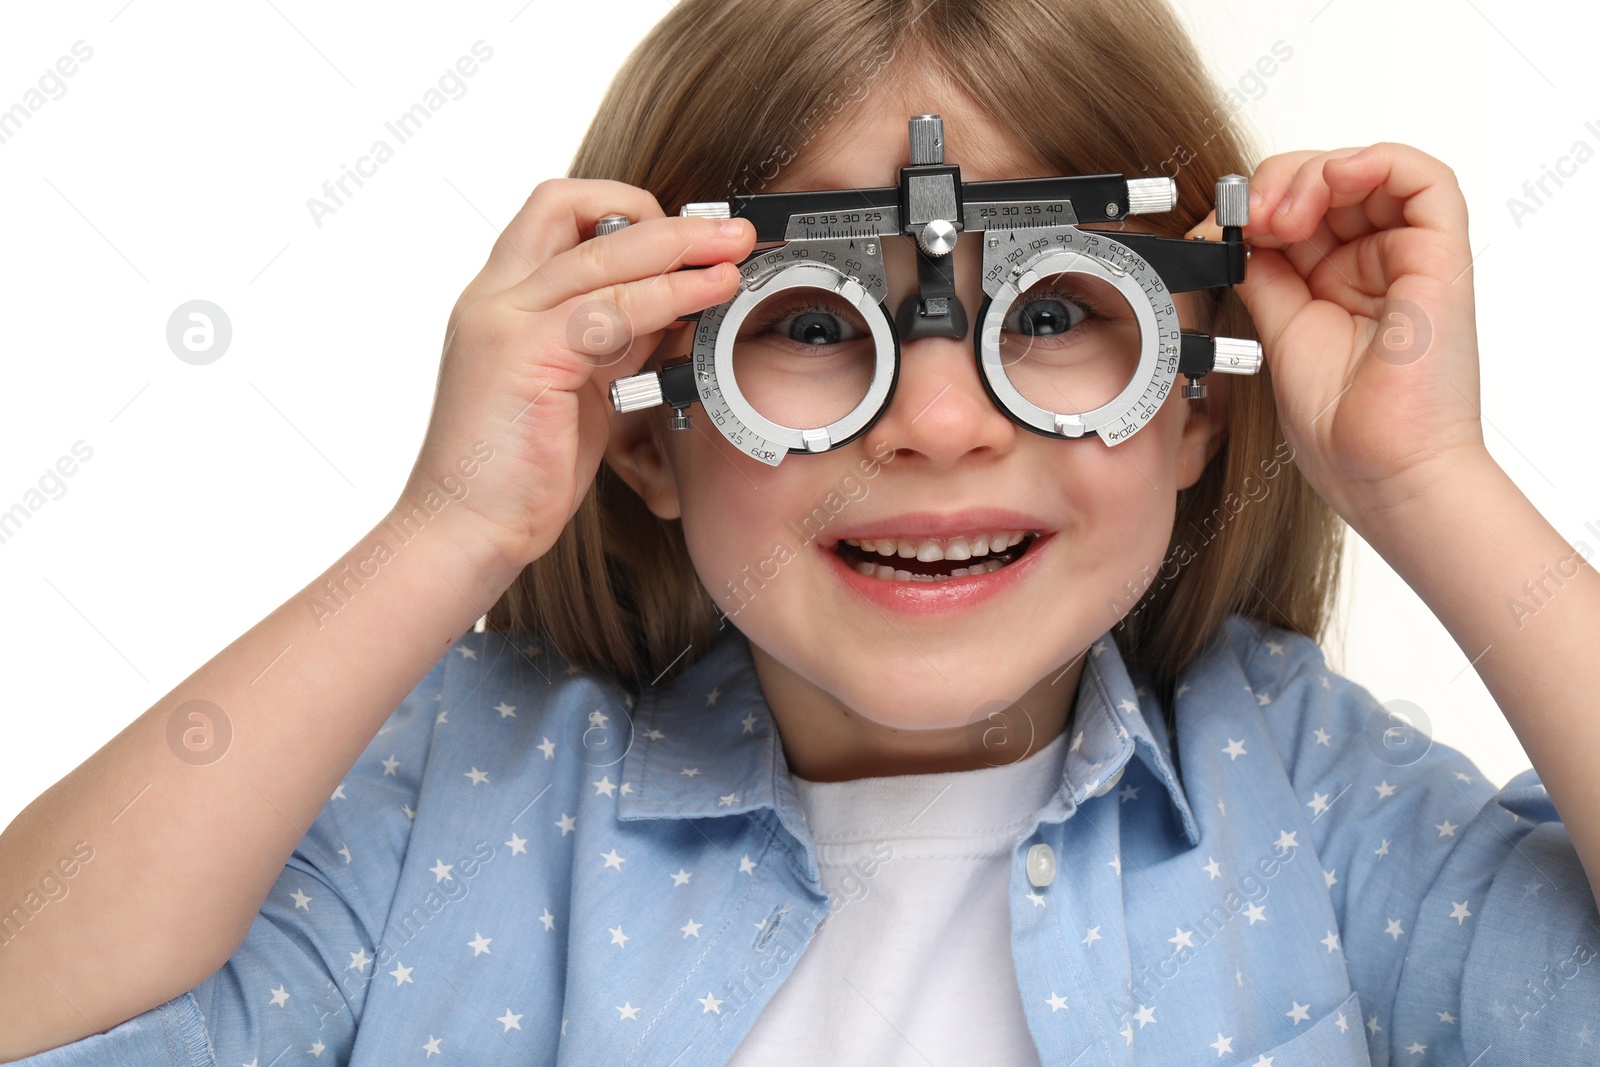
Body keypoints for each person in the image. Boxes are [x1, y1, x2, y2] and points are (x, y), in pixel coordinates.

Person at [3, 0, 1597, 1063]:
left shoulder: (1298, 800)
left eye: (1054, 311)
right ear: (647, 418)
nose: (940, 419)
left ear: (1193, 401)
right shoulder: (479, 802)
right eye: (815, 328)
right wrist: (450, 528)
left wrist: (1423, 480)